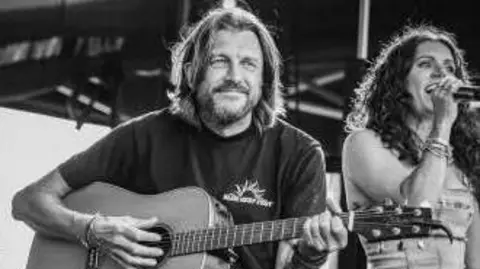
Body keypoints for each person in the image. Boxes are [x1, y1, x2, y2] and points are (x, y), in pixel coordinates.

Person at [12, 7, 348, 269]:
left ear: (264, 80)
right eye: (219, 61)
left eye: (248, 64)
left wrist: (313, 253)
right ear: (190, 72)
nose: (235, 76)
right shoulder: (143, 136)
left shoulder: (299, 154)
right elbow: (29, 201)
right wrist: (92, 230)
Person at [342, 24, 480, 269]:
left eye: (449, 68)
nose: (442, 74)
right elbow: (417, 206)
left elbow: (475, 258)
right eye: (426, 64)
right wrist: (442, 123)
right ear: (400, 80)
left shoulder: (463, 158)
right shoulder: (363, 144)